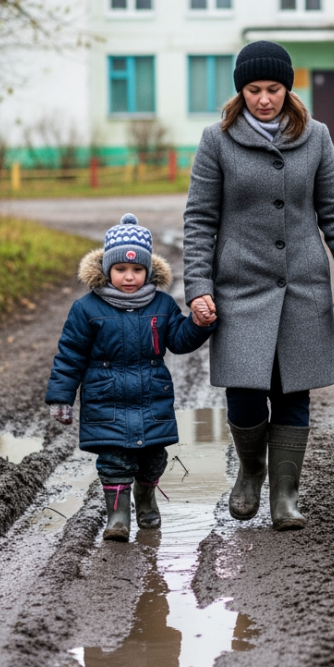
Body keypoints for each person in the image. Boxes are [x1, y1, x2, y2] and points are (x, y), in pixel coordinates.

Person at [182, 40, 334, 530]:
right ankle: (251, 471)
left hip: (302, 286)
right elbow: (199, 220)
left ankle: (285, 496)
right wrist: (198, 285)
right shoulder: (216, 140)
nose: (264, 99)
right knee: (244, 390)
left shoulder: (318, 137)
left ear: (288, 88)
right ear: (240, 91)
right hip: (239, 286)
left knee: (292, 392)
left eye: (274, 88)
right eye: (253, 89)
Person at [46, 214, 216, 542]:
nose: (129, 277)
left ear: (148, 271)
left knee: (154, 457)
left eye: (137, 270)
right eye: (121, 270)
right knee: (114, 459)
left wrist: (198, 323)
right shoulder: (87, 309)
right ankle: (118, 516)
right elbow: (70, 355)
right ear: (107, 270)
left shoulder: (162, 304)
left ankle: (146, 496)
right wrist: (60, 396)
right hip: (105, 399)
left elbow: (179, 341)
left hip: (151, 397)